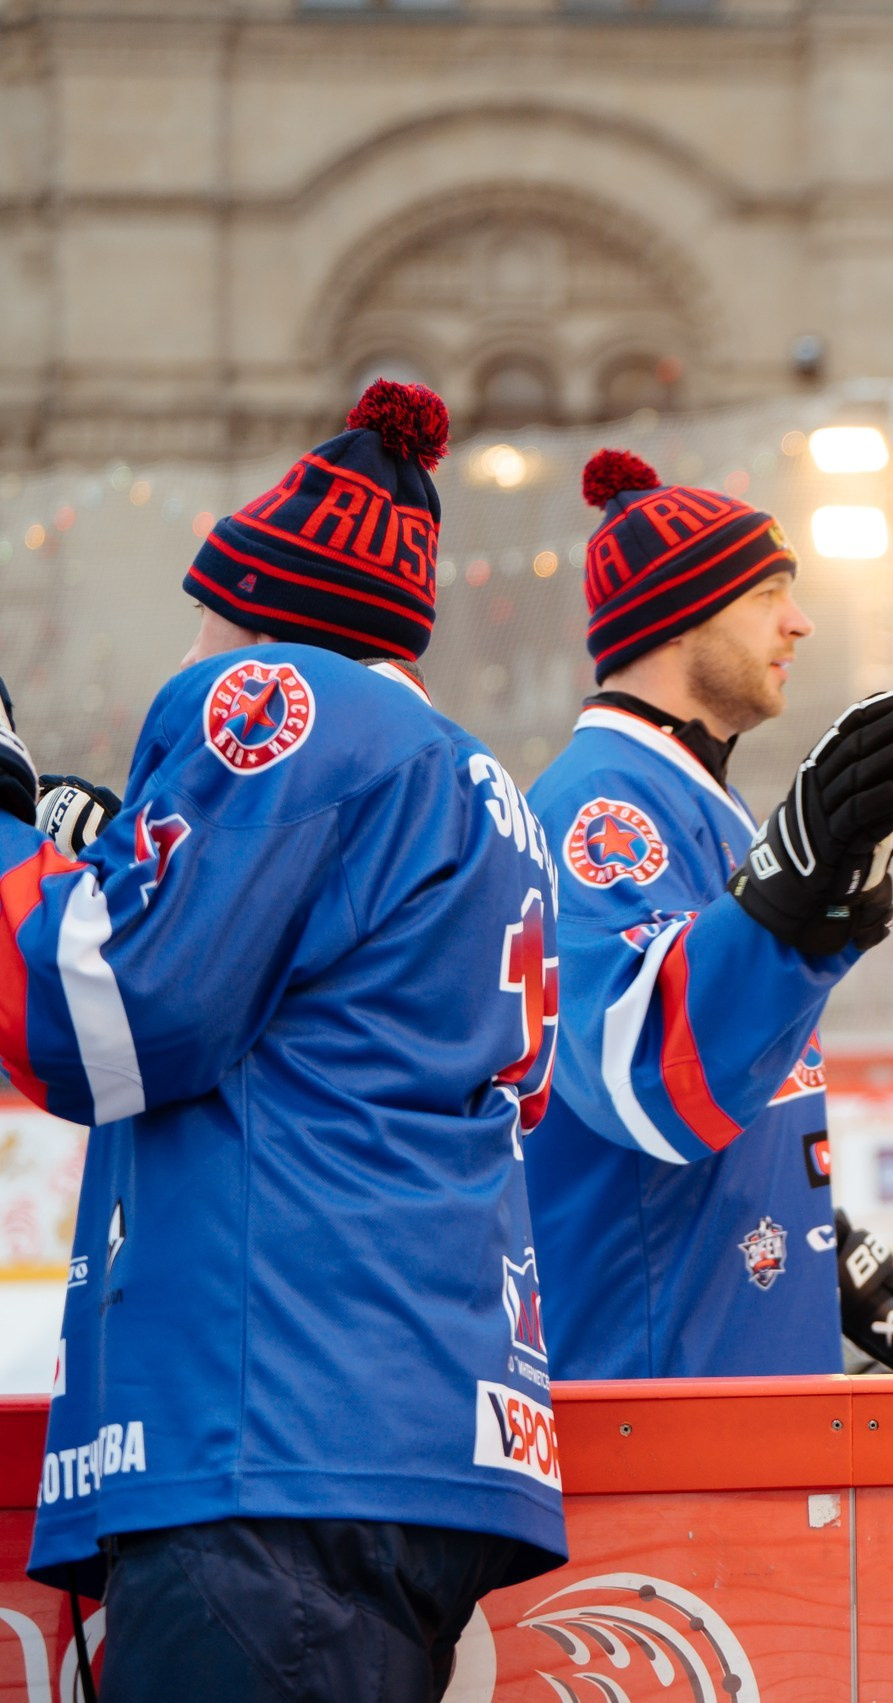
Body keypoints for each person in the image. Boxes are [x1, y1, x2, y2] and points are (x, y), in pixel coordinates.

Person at [0, 384, 568, 1699]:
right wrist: (104, 856)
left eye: (211, 607)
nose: (195, 644)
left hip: (269, 1432)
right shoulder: (479, 783)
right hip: (408, 1430)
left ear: (261, 608)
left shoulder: (278, 701)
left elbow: (111, 1012)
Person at [526, 449, 893, 1379]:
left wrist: (823, 1257)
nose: (799, 623)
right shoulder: (603, 805)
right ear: (680, 617)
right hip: (648, 1393)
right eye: (767, 594)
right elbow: (647, 1080)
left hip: (723, 1362)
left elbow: (745, 1072)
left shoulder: (698, 801)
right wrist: (787, 908)